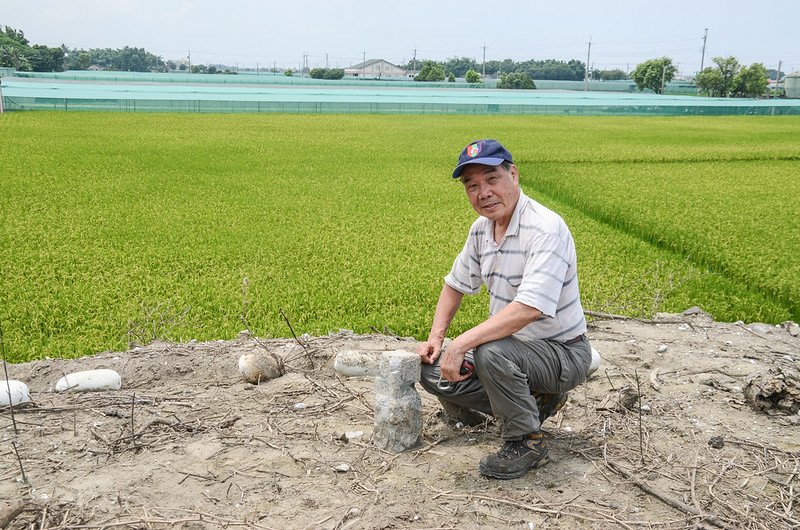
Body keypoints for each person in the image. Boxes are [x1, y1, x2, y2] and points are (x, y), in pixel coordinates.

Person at [416, 139, 592, 480]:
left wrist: (463, 342)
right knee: (430, 369)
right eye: (472, 186)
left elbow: (529, 309)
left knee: (491, 353)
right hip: (513, 353)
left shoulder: (544, 229)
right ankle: (537, 404)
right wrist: (436, 339)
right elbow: (455, 284)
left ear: (513, 174)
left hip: (563, 353)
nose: (483, 192)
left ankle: (526, 441)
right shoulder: (481, 230)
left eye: (492, 179)